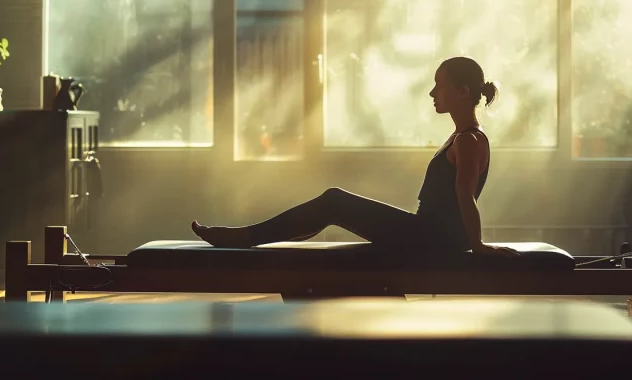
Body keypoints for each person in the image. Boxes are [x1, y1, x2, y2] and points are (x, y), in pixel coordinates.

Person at [192, 57, 518, 257]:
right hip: (431, 235)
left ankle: (246, 237)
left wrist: (478, 246)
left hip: (434, 239)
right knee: (331, 207)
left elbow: (465, 195)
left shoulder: (470, 140)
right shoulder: (463, 137)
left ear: (462, 92)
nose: (433, 93)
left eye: (439, 86)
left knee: (334, 201)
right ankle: (256, 239)